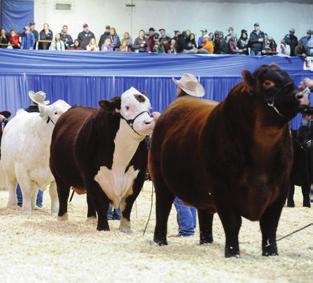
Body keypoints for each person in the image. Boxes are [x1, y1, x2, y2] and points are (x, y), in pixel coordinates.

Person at [170, 73, 205, 237]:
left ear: (181, 90)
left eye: (178, 87)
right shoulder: (199, 107)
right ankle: (190, 227)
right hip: (197, 157)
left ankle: (187, 229)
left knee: (179, 194)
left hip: (181, 155)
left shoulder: (180, 107)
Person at [16, 91, 48, 208]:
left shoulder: (22, 113)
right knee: (41, 174)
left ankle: (21, 201)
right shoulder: (45, 114)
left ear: (32, 100)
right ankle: (38, 203)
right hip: (41, 149)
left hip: (24, 147)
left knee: (22, 172)